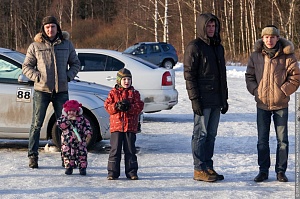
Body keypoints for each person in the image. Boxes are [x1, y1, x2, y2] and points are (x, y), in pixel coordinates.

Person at [22, 16, 81, 168]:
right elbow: (26, 67)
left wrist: (68, 76)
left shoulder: (66, 45)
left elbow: (76, 63)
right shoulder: (35, 46)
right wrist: (38, 77)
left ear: (57, 28)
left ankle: (66, 156)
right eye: (47, 27)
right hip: (41, 90)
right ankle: (33, 156)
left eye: (53, 27)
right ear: (43, 29)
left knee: (65, 125)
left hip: (61, 91)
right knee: (36, 124)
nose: (50, 29)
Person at [245, 25, 300, 182]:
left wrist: (283, 91)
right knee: (262, 140)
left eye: (272, 37)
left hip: (280, 105)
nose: (269, 40)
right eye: (266, 37)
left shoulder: (287, 56)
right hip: (262, 104)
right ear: (262, 38)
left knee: (282, 140)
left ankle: (280, 171)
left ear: (278, 38)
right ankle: (263, 171)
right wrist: (256, 90)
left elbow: (295, 76)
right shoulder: (255, 56)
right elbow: (249, 75)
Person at [183, 13, 228, 182]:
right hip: (202, 99)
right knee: (200, 134)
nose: (211, 29)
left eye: (213, 26)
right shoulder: (195, 46)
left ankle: (208, 166)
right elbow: (189, 75)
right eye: (208, 26)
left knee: (211, 135)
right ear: (202, 27)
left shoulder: (218, 47)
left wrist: (224, 99)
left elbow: (222, 75)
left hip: (216, 99)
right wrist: (194, 99)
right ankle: (199, 168)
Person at [104, 68, 144, 180]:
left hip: (130, 127)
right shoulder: (113, 93)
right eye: (124, 79)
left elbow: (139, 106)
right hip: (116, 127)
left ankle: (131, 172)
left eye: (129, 79)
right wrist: (116, 106)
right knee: (115, 150)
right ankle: (112, 172)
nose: (127, 81)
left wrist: (130, 107)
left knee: (130, 150)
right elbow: (107, 106)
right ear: (119, 80)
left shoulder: (134, 93)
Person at [57, 100, 92, 175]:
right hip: (67, 142)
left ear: (77, 111)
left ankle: (82, 167)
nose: (71, 113)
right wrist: (67, 120)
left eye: (73, 111)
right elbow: (60, 125)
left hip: (80, 142)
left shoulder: (81, 119)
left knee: (82, 155)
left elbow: (87, 126)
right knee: (67, 155)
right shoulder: (63, 118)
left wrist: (88, 133)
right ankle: (69, 167)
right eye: (69, 111)